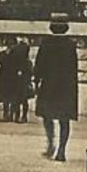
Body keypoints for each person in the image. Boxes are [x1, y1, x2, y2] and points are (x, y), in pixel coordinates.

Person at [33, 13, 80, 161]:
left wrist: (36, 81)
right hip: (66, 86)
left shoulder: (46, 43)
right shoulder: (70, 45)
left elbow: (39, 65)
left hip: (49, 84)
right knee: (64, 119)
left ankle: (50, 143)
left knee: (47, 116)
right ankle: (61, 150)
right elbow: (73, 68)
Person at [0, 35, 34, 123]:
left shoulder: (21, 58)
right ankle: (8, 115)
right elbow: (1, 60)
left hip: (16, 78)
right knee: (7, 98)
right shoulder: (4, 54)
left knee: (19, 99)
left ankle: (18, 115)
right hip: (6, 78)